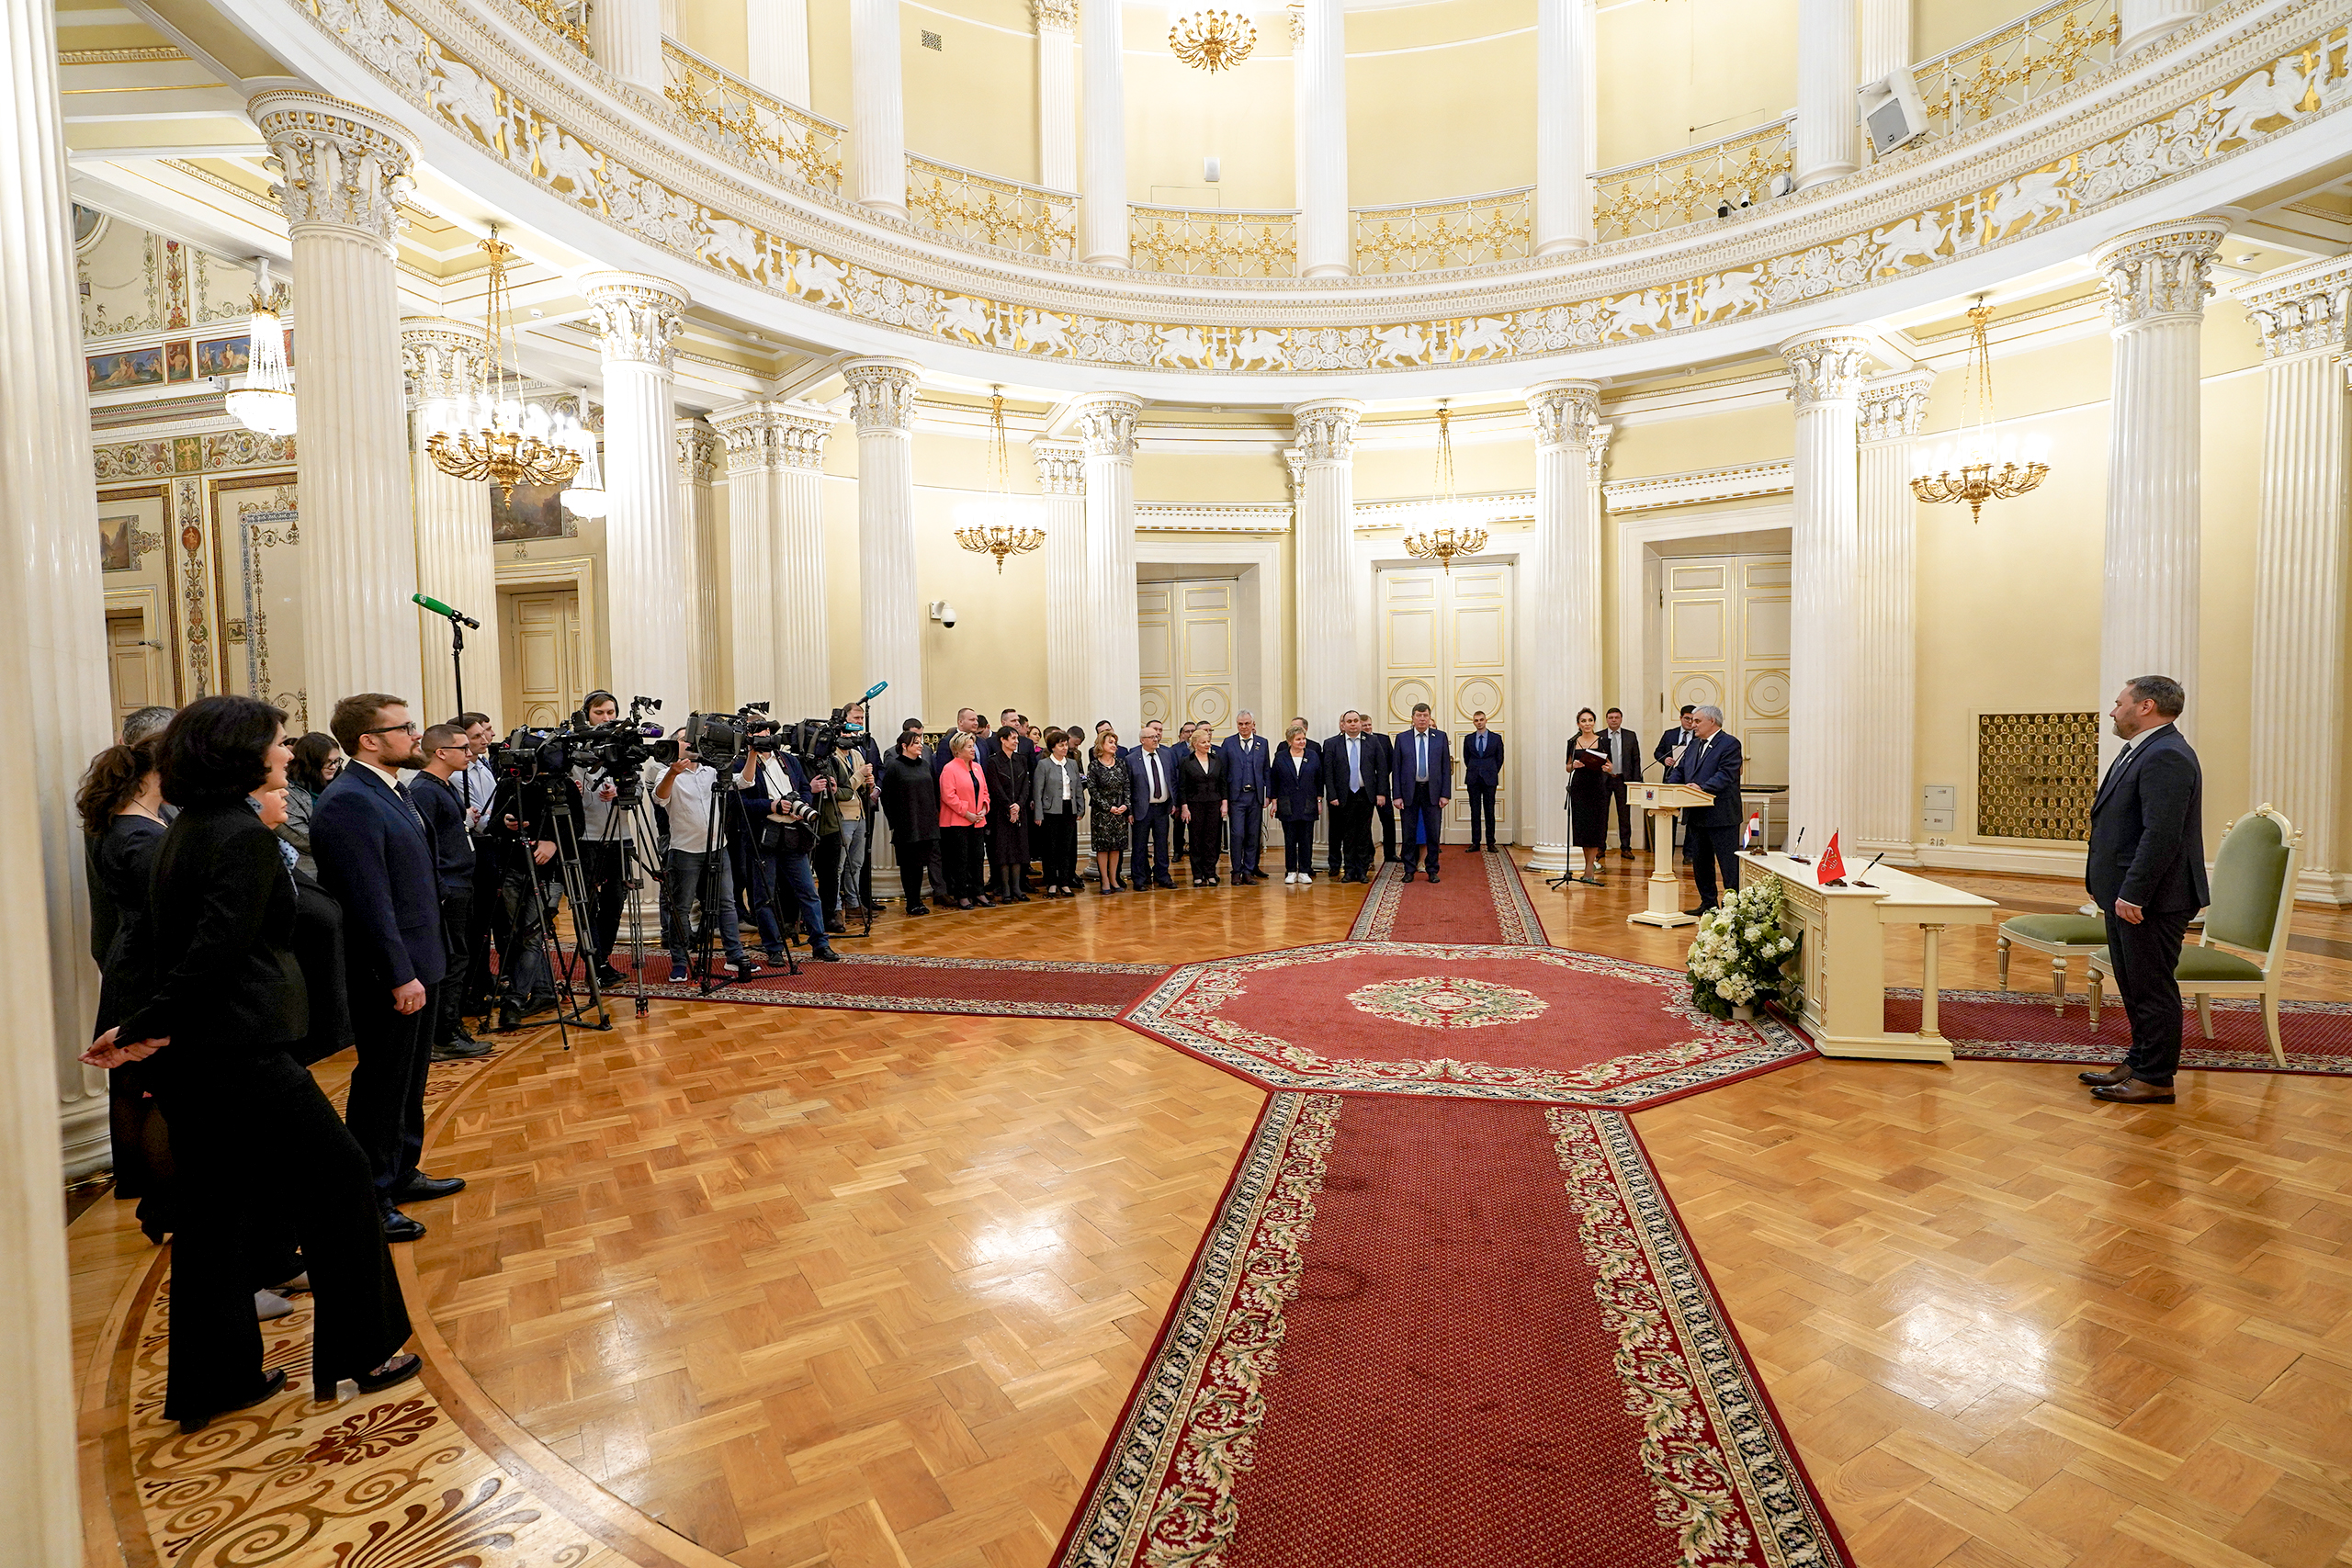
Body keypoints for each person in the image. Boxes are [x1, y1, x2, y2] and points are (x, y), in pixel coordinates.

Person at [85, 695, 417, 1429]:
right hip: (241, 1052)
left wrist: (140, 1026)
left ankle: (214, 1379)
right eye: (275, 740)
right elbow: (215, 956)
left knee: (214, 1215)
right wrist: (139, 1025)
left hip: (202, 1053)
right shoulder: (237, 834)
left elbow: (173, 946)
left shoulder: (191, 827)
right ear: (242, 754)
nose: (284, 749)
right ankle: (362, 1351)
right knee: (342, 1179)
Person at [311, 694, 460, 1244]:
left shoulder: (389, 790)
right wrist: (400, 973)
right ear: (368, 740)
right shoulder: (349, 800)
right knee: (382, 1083)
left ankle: (402, 1170)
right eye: (405, 728)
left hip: (423, 957)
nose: (416, 735)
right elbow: (369, 899)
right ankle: (372, 1194)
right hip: (393, 970)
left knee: (411, 1078)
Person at [2079, 676, 2207, 1107]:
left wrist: (2134, 894)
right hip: (2127, 893)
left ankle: (2156, 1077)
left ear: (2146, 706)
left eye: (2119, 703)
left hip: (2152, 898)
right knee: (2134, 984)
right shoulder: (2143, 750)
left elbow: (2162, 835)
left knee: (2151, 986)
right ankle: (2139, 1061)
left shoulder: (2166, 755)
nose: (2113, 711)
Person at [79, 735, 172, 1239]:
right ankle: (158, 1203)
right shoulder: (136, 834)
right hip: (144, 964)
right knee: (152, 1087)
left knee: (152, 1087)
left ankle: (157, 1199)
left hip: (141, 956)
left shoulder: (147, 820)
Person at [408, 725, 492, 1061]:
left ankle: (451, 1025)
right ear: (441, 752)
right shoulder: (426, 791)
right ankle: (444, 1032)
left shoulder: (443, 786)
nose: (469, 753)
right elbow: (424, 844)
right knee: (453, 958)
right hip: (449, 885)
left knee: (460, 956)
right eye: (462, 748)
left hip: (461, 881)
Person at [655, 740, 763, 980]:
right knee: (681, 908)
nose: (692, 745)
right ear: (676, 747)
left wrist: (752, 754)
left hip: (717, 847)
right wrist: (673, 773)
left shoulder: (713, 770)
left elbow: (744, 782)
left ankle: (734, 956)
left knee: (726, 904)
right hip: (684, 850)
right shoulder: (666, 773)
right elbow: (660, 799)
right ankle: (680, 962)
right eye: (686, 741)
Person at [741, 741, 839, 962]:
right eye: (760, 734)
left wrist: (800, 805)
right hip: (763, 837)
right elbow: (739, 803)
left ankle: (820, 944)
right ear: (749, 737)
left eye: (768, 733)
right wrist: (771, 806)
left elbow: (804, 787)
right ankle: (774, 948)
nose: (766, 739)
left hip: (793, 834)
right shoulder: (742, 763)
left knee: (808, 891)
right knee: (764, 897)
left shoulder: (788, 760)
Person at [571, 691, 634, 986]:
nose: (607, 719)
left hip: (620, 836)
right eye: (600, 713)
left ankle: (603, 960)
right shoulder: (573, 749)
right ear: (587, 715)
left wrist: (620, 793)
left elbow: (638, 791)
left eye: (611, 712)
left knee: (615, 901)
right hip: (585, 839)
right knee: (587, 903)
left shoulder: (623, 748)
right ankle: (593, 963)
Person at [1664, 705, 1743, 914]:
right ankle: (1708, 904)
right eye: (1692, 721)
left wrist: (1702, 788)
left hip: (1722, 815)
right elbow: (1679, 770)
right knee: (1700, 864)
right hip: (1696, 814)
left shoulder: (1729, 744)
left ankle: (1732, 907)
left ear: (1712, 722)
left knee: (1728, 865)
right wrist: (1671, 788)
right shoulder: (1693, 745)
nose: (1693, 725)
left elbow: (1726, 774)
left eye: (1697, 721)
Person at [877, 730, 940, 917]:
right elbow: (886, 797)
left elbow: (933, 792)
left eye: (921, 742)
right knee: (908, 865)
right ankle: (911, 902)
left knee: (920, 864)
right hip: (906, 824)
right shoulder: (895, 767)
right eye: (916, 743)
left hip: (926, 823)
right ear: (904, 746)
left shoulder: (925, 765)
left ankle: (918, 900)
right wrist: (896, 821)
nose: (921, 745)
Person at [1324, 711, 1386, 883]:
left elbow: (1381, 768)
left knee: (1363, 833)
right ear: (1343, 724)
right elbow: (1328, 773)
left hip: (1365, 794)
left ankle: (1362, 870)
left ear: (1360, 723)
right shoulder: (1331, 744)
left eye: (1356, 721)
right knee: (1348, 834)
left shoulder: (1372, 741)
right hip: (1343, 796)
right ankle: (1349, 870)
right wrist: (1332, 795)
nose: (1353, 724)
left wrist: (1381, 793)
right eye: (1349, 721)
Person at [1393, 704, 1453, 883]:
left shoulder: (1439, 737)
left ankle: (1432, 869)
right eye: (1418, 715)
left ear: (1429, 717)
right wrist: (1397, 795)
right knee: (1409, 832)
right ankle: (1409, 869)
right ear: (1412, 718)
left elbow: (1445, 768)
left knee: (1432, 833)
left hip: (1432, 791)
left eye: (1425, 715)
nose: (1422, 719)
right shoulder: (1402, 739)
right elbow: (1396, 768)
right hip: (1409, 791)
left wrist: (1445, 794)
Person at [936, 731, 992, 909]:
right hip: (957, 821)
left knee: (977, 858)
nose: (973, 749)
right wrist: (966, 813)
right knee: (960, 860)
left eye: (973, 746)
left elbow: (984, 792)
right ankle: (962, 895)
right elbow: (948, 796)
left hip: (978, 820)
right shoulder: (949, 768)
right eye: (969, 746)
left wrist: (984, 808)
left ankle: (979, 892)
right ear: (958, 750)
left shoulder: (977, 767)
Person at [1031, 728, 1087, 897]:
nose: (1064, 748)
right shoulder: (1044, 764)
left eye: (1065, 745)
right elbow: (1038, 791)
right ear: (1053, 747)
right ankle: (1051, 882)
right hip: (1050, 811)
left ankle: (1064, 882)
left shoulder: (1071, 763)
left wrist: (1080, 807)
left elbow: (1077, 787)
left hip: (1068, 809)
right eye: (1061, 745)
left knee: (1066, 848)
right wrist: (1038, 814)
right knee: (1051, 848)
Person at [1218, 714, 1272, 885]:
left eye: (1247, 723)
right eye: (1240, 724)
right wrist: (1224, 799)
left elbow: (1266, 770)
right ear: (1237, 725)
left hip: (1255, 797)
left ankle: (1248, 871)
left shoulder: (1262, 743)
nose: (1244, 727)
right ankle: (1236, 870)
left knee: (1252, 835)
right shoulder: (1228, 743)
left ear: (1253, 724)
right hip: (1236, 797)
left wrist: (1268, 795)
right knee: (1237, 834)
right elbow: (1223, 773)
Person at [277, 732, 342, 876]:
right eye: (327, 761)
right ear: (309, 762)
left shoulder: (341, 785)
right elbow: (303, 838)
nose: (334, 766)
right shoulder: (287, 792)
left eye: (337, 761)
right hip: (309, 871)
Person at [1125, 720, 1179, 890]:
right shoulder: (1131, 759)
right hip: (1142, 809)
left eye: (1157, 737)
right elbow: (1128, 787)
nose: (1156, 739)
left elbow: (1172, 780)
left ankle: (1163, 876)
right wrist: (1130, 811)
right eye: (1151, 737)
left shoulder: (1166, 754)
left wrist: (1173, 802)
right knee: (1140, 846)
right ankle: (1140, 879)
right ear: (1142, 740)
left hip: (1162, 808)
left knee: (1162, 845)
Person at [983, 725, 1034, 902]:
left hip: (1020, 812)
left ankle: (1017, 888)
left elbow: (1026, 785)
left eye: (1016, 738)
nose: (1016, 741)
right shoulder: (993, 761)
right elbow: (995, 787)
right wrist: (1009, 807)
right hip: (1000, 812)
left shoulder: (1021, 759)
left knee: (1019, 850)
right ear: (1003, 740)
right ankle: (1005, 890)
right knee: (1003, 851)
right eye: (1012, 738)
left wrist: (1019, 806)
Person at [1272, 721, 1323, 884]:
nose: (1302, 742)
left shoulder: (1312, 755)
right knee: (1290, 839)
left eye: (1303, 738)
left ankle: (1305, 870)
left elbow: (1319, 779)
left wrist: (1319, 799)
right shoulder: (1280, 757)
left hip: (1308, 802)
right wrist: (1274, 802)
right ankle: (1291, 870)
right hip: (1287, 803)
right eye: (1298, 739)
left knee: (1306, 838)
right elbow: (1274, 780)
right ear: (1290, 741)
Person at [1566, 707, 1613, 883]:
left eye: (1590, 720)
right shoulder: (1572, 742)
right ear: (1578, 724)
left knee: (1595, 827)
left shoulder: (1603, 742)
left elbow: (1610, 765)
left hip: (1597, 787)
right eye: (1583, 721)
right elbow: (1567, 766)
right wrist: (1574, 766)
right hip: (1579, 787)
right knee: (1582, 828)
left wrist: (1608, 769)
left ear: (1594, 722)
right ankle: (1587, 866)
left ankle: (1588, 869)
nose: (1587, 724)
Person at [1177, 725, 1227, 886]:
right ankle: (1197, 874)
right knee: (1196, 840)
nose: (1208, 744)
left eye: (1208, 741)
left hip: (1214, 804)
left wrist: (1224, 803)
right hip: (1194, 805)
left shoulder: (1216, 759)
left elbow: (1223, 783)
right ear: (1195, 744)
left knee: (1212, 840)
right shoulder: (1186, 762)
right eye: (1204, 742)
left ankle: (1211, 873)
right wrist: (1184, 807)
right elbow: (1182, 787)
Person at [1088, 731, 1132, 896]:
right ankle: (1104, 880)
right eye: (1110, 742)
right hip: (1102, 814)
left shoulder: (1120, 763)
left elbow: (1127, 785)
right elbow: (1093, 790)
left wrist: (1125, 805)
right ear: (1101, 745)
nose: (1114, 745)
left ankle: (1114, 878)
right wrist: (1108, 807)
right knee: (1103, 848)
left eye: (1115, 742)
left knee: (1116, 847)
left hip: (1119, 812)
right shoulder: (1094, 765)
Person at [1600, 706, 1645, 858]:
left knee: (1624, 816)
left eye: (1616, 717)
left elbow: (1636, 759)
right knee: (1602, 814)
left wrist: (1637, 781)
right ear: (1606, 719)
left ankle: (1625, 847)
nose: (1613, 720)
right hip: (1603, 781)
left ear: (1621, 719)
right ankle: (1600, 847)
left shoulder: (1630, 736)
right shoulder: (1599, 736)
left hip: (1623, 780)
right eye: (1611, 717)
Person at [1462, 712, 1504, 852]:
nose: (1479, 722)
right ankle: (1475, 842)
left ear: (1486, 720)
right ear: (1473, 722)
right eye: (1476, 720)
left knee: (1489, 810)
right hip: (1473, 778)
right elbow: (1466, 758)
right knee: (1475, 811)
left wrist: (1491, 770)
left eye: (1481, 720)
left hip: (1490, 778)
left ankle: (1491, 842)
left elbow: (1500, 759)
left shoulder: (1496, 738)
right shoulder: (1468, 739)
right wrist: (1475, 769)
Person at [1171, 720, 1199, 863]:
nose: (1190, 734)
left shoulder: (1202, 749)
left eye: (1193, 731)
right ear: (1182, 734)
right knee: (1179, 826)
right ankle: (1178, 851)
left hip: (1197, 795)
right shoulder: (1175, 749)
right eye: (1187, 731)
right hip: (1180, 794)